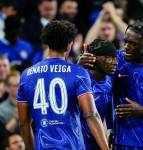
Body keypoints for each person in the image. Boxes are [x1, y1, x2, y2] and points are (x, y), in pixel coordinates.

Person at [79, 20, 143, 149]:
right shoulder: (118, 60)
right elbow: (107, 93)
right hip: (124, 141)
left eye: (133, 44)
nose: (126, 46)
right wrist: (81, 66)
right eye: (125, 41)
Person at [16, 20, 109, 150]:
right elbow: (91, 115)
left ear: (47, 43)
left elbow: (24, 124)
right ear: (69, 45)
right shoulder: (78, 72)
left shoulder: (26, 75)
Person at [80, 39, 117, 150]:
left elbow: (109, 105)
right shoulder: (81, 79)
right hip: (76, 142)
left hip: (96, 142)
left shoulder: (110, 80)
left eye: (115, 57)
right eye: (109, 58)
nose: (115, 62)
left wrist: (111, 129)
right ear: (93, 58)